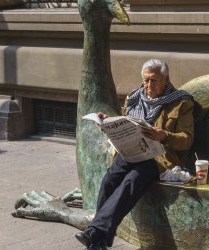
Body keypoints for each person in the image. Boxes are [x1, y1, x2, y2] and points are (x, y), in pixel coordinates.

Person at [75, 59, 194, 250]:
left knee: (132, 180)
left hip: (159, 159)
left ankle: (96, 234)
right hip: (130, 152)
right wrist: (108, 124)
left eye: (154, 81)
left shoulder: (181, 102)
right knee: (109, 180)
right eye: (146, 80)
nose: (148, 85)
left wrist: (163, 135)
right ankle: (98, 240)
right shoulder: (134, 97)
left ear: (166, 80)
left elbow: (186, 139)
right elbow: (123, 122)